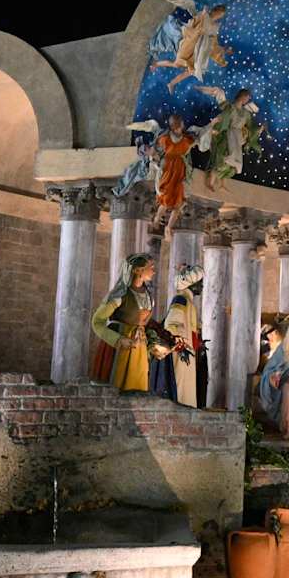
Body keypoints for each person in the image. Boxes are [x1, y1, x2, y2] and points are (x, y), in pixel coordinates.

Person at [91, 254, 160, 392]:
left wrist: (153, 343)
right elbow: (97, 322)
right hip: (120, 348)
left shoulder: (148, 295)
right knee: (117, 390)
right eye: (150, 267)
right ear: (137, 270)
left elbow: (144, 324)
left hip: (139, 349)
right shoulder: (120, 294)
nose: (154, 271)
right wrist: (118, 339)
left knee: (138, 390)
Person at [153, 265, 206, 409]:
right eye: (200, 282)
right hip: (181, 354)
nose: (202, 285)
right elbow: (171, 325)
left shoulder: (186, 301)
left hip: (187, 353)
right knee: (181, 392)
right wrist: (181, 342)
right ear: (192, 284)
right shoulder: (181, 299)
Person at [200, 87, 264, 190]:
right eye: (247, 97)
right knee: (222, 160)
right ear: (242, 96)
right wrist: (215, 128)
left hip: (237, 138)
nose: (247, 100)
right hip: (226, 135)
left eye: (248, 98)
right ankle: (211, 182)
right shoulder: (230, 107)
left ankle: (222, 183)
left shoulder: (246, 114)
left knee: (233, 165)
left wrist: (258, 130)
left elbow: (251, 127)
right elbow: (222, 118)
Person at [150, 113, 198, 232]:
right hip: (168, 169)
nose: (180, 129)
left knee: (178, 205)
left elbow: (197, 140)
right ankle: (157, 218)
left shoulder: (186, 139)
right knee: (166, 200)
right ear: (172, 127)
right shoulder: (165, 139)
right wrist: (153, 158)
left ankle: (169, 227)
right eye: (177, 127)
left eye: (181, 127)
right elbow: (154, 150)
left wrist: (210, 128)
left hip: (179, 170)